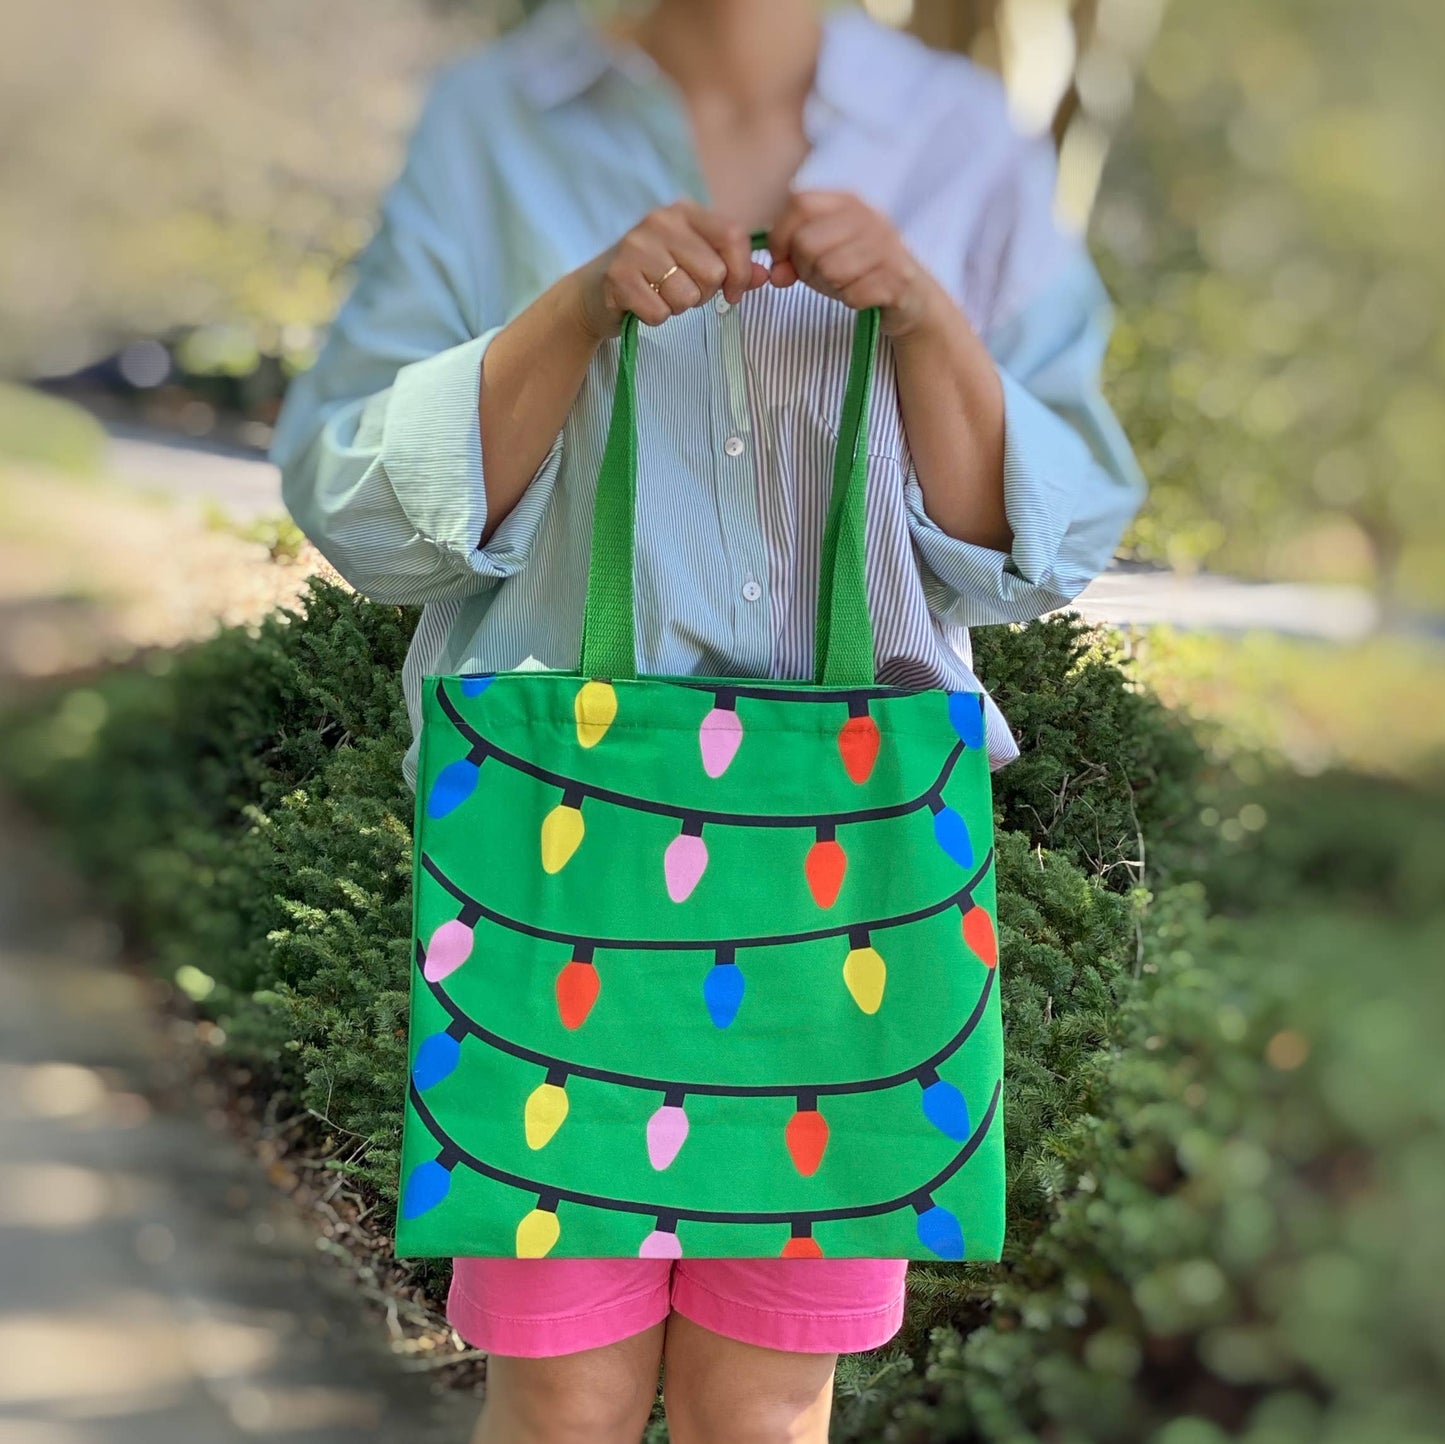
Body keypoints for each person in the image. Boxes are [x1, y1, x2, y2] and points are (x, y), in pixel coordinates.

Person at [273, 0, 1144, 1437]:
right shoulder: (495, 121)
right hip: (567, 883)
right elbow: (364, 520)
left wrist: (923, 319)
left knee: (767, 1407)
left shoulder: (963, 141)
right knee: (560, 1400)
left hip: (842, 908)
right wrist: (570, 310)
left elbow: (1047, 549)